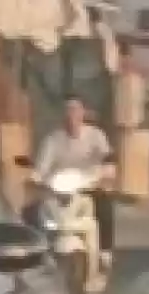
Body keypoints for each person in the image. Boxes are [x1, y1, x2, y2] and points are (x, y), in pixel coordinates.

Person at [33, 95, 115, 277]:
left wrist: (107, 172)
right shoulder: (52, 140)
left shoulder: (96, 135)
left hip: (89, 186)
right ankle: (32, 256)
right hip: (58, 189)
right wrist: (35, 178)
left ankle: (105, 251)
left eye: (75, 110)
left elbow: (107, 157)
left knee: (104, 205)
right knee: (31, 211)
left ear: (82, 113)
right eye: (67, 110)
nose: (71, 115)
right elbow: (41, 167)